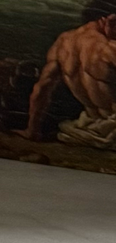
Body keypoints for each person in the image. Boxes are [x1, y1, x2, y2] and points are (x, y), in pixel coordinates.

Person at [20, 13, 116, 147]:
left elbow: (42, 88)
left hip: (86, 126)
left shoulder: (64, 42)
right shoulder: (109, 48)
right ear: (107, 20)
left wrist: (32, 129)